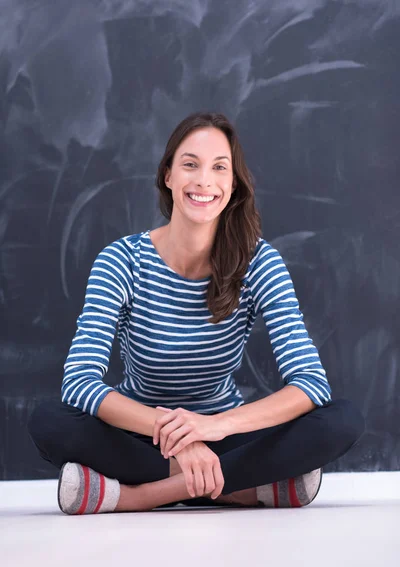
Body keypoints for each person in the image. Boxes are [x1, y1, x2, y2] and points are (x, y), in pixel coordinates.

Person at [28, 112, 365, 515]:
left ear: (233, 184)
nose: (204, 180)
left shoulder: (260, 263)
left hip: (226, 432)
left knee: (342, 420)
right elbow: (80, 383)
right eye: (190, 164)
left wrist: (213, 427)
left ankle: (141, 495)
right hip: (138, 432)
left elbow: (311, 385)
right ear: (167, 176)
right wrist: (181, 439)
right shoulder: (120, 261)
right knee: (49, 420)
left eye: (219, 168)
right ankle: (242, 490)